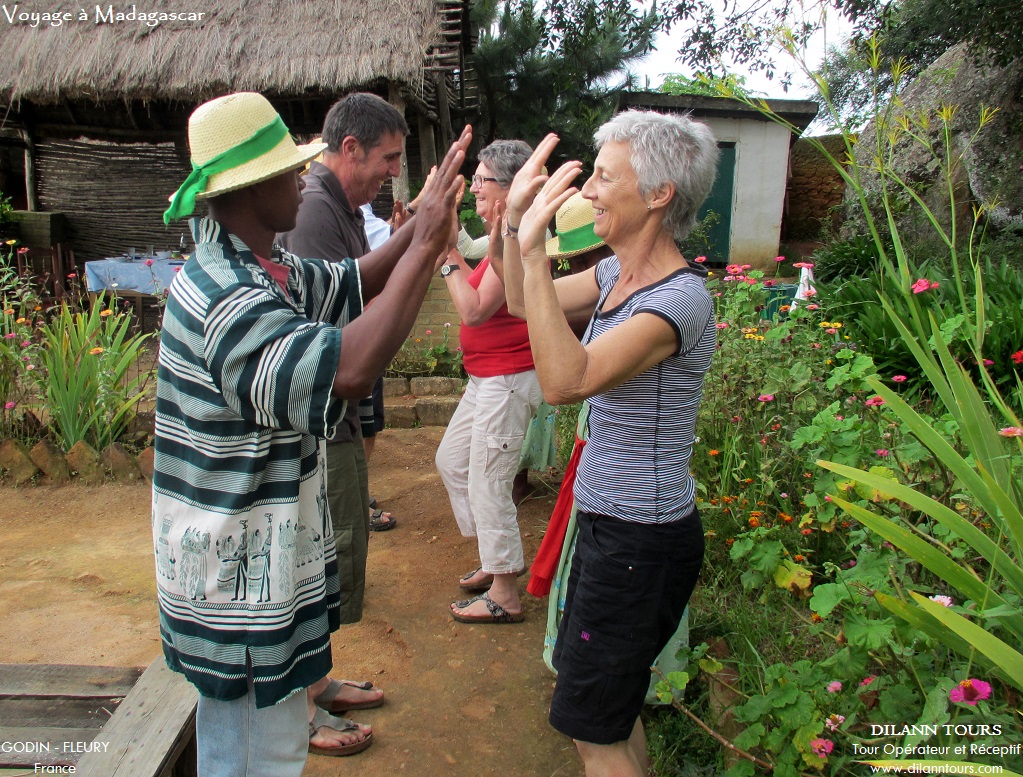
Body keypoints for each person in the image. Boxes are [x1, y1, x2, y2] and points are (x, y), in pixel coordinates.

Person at [154, 90, 468, 775]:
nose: (302, 179)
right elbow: (349, 369)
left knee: (269, 744)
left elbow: (353, 281)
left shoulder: (259, 264)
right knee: (253, 755)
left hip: (250, 556)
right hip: (232, 577)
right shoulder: (225, 297)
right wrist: (432, 243)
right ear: (248, 188)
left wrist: (420, 229)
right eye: (286, 172)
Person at [500, 112, 719, 776]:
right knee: (609, 714)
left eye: (602, 176)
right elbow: (517, 298)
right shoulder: (612, 279)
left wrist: (535, 248)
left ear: (657, 195)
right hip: (609, 526)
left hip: (639, 542)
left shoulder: (678, 301)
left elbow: (567, 380)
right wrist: (513, 224)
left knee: (592, 729)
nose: (587, 192)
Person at [435, 139, 543, 624]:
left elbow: (475, 311)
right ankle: (493, 557)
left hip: (509, 379)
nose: (474, 185)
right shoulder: (497, 236)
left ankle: (504, 593)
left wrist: (444, 256)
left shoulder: (516, 241)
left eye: (482, 179)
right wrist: (448, 237)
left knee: (489, 482)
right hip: (488, 378)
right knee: (454, 463)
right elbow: (466, 250)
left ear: (510, 189)